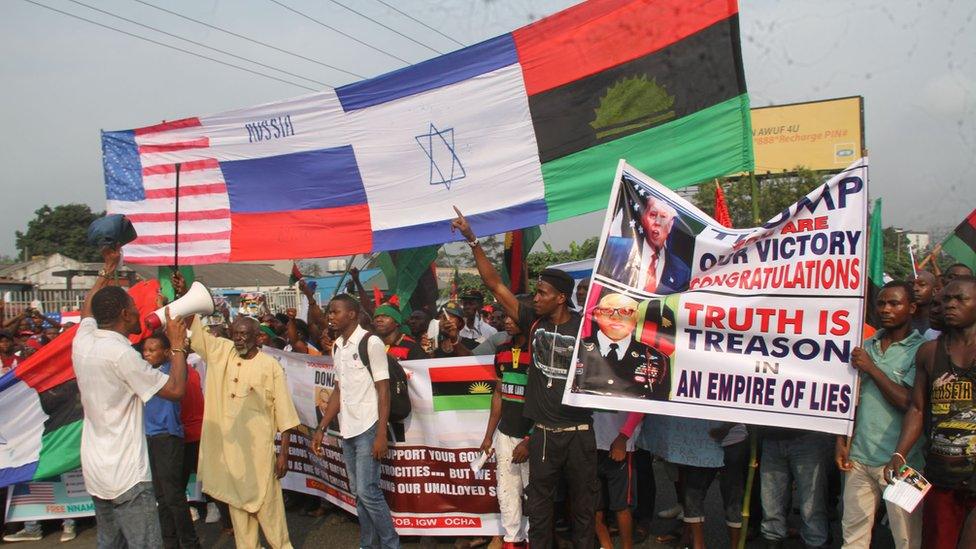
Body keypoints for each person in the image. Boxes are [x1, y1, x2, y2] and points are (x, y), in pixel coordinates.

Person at [452, 207, 597, 549]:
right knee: (541, 507)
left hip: (579, 433)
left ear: (561, 297)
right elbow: (494, 284)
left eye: (543, 292)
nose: (536, 297)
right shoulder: (533, 320)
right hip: (544, 434)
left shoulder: (585, 328)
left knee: (584, 508)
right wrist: (473, 240)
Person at [71, 247, 188, 547]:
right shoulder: (122, 354)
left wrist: (107, 269)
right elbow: (175, 391)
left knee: (109, 543)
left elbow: (88, 308)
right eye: (135, 306)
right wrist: (177, 346)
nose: (140, 311)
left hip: (97, 472)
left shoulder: (83, 340)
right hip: (128, 477)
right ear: (125, 314)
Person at [174, 273, 301, 549]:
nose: (239, 339)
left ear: (258, 338)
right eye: (235, 334)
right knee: (241, 521)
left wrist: (284, 453)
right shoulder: (222, 353)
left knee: (272, 518)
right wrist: (185, 298)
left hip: (259, 456)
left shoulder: (270, 367)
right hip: (230, 455)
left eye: (244, 335)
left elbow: (285, 415)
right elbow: (194, 329)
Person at [886, 275, 976, 548]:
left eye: (960, 299)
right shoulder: (928, 352)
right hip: (940, 472)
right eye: (946, 299)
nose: (951, 304)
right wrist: (900, 453)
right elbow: (917, 407)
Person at [836, 281, 925, 549]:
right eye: (881, 303)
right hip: (859, 458)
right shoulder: (864, 346)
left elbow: (910, 402)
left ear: (911, 308)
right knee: (853, 537)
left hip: (904, 463)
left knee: (907, 540)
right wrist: (841, 440)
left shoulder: (922, 350)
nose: (886, 309)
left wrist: (872, 369)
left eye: (894, 303)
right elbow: (846, 398)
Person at [312, 294, 399, 549]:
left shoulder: (370, 342)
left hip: (369, 426)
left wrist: (381, 433)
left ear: (351, 314)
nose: (330, 316)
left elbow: (383, 389)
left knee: (369, 492)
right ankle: (368, 544)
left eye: (335, 311)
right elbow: (338, 390)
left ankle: (391, 544)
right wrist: (322, 427)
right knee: (359, 494)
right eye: (329, 311)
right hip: (348, 429)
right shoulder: (337, 346)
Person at [142, 333, 201, 549]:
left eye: (152, 350)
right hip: (151, 437)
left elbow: (179, 356)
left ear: (166, 352)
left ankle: (190, 543)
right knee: (161, 496)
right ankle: (170, 543)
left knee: (174, 496)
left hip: (168, 437)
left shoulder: (174, 370)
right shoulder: (145, 371)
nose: (146, 353)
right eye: (145, 350)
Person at [479, 314, 531, 548]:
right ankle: (512, 540)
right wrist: (489, 435)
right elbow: (498, 392)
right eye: (505, 317)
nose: (507, 321)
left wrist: (530, 439)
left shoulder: (540, 349)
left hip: (533, 435)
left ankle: (532, 539)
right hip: (505, 433)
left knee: (533, 492)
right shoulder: (501, 350)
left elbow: (546, 399)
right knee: (507, 490)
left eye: (513, 317)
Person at [573, 292, 669, 400]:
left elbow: (659, 402)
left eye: (626, 311)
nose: (615, 317)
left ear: (637, 316)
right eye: (607, 310)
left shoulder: (656, 358)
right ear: (596, 314)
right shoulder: (576, 348)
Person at [597, 195, 691, 294]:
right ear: (644, 217)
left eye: (663, 216)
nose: (657, 222)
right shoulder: (615, 250)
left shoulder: (681, 270)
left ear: (671, 224)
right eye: (653, 215)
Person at [759, 427, 833, 549]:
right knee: (771, 502)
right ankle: (773, 541)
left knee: (812, 505)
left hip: (808, 437)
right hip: (771, 439)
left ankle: (815, 542)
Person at [592, 411, 643, 549]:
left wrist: (623, 437)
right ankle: (606, 544)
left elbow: (640, 408)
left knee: (622, 505)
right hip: (589, 443)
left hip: (620, 445)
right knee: (593, 501)